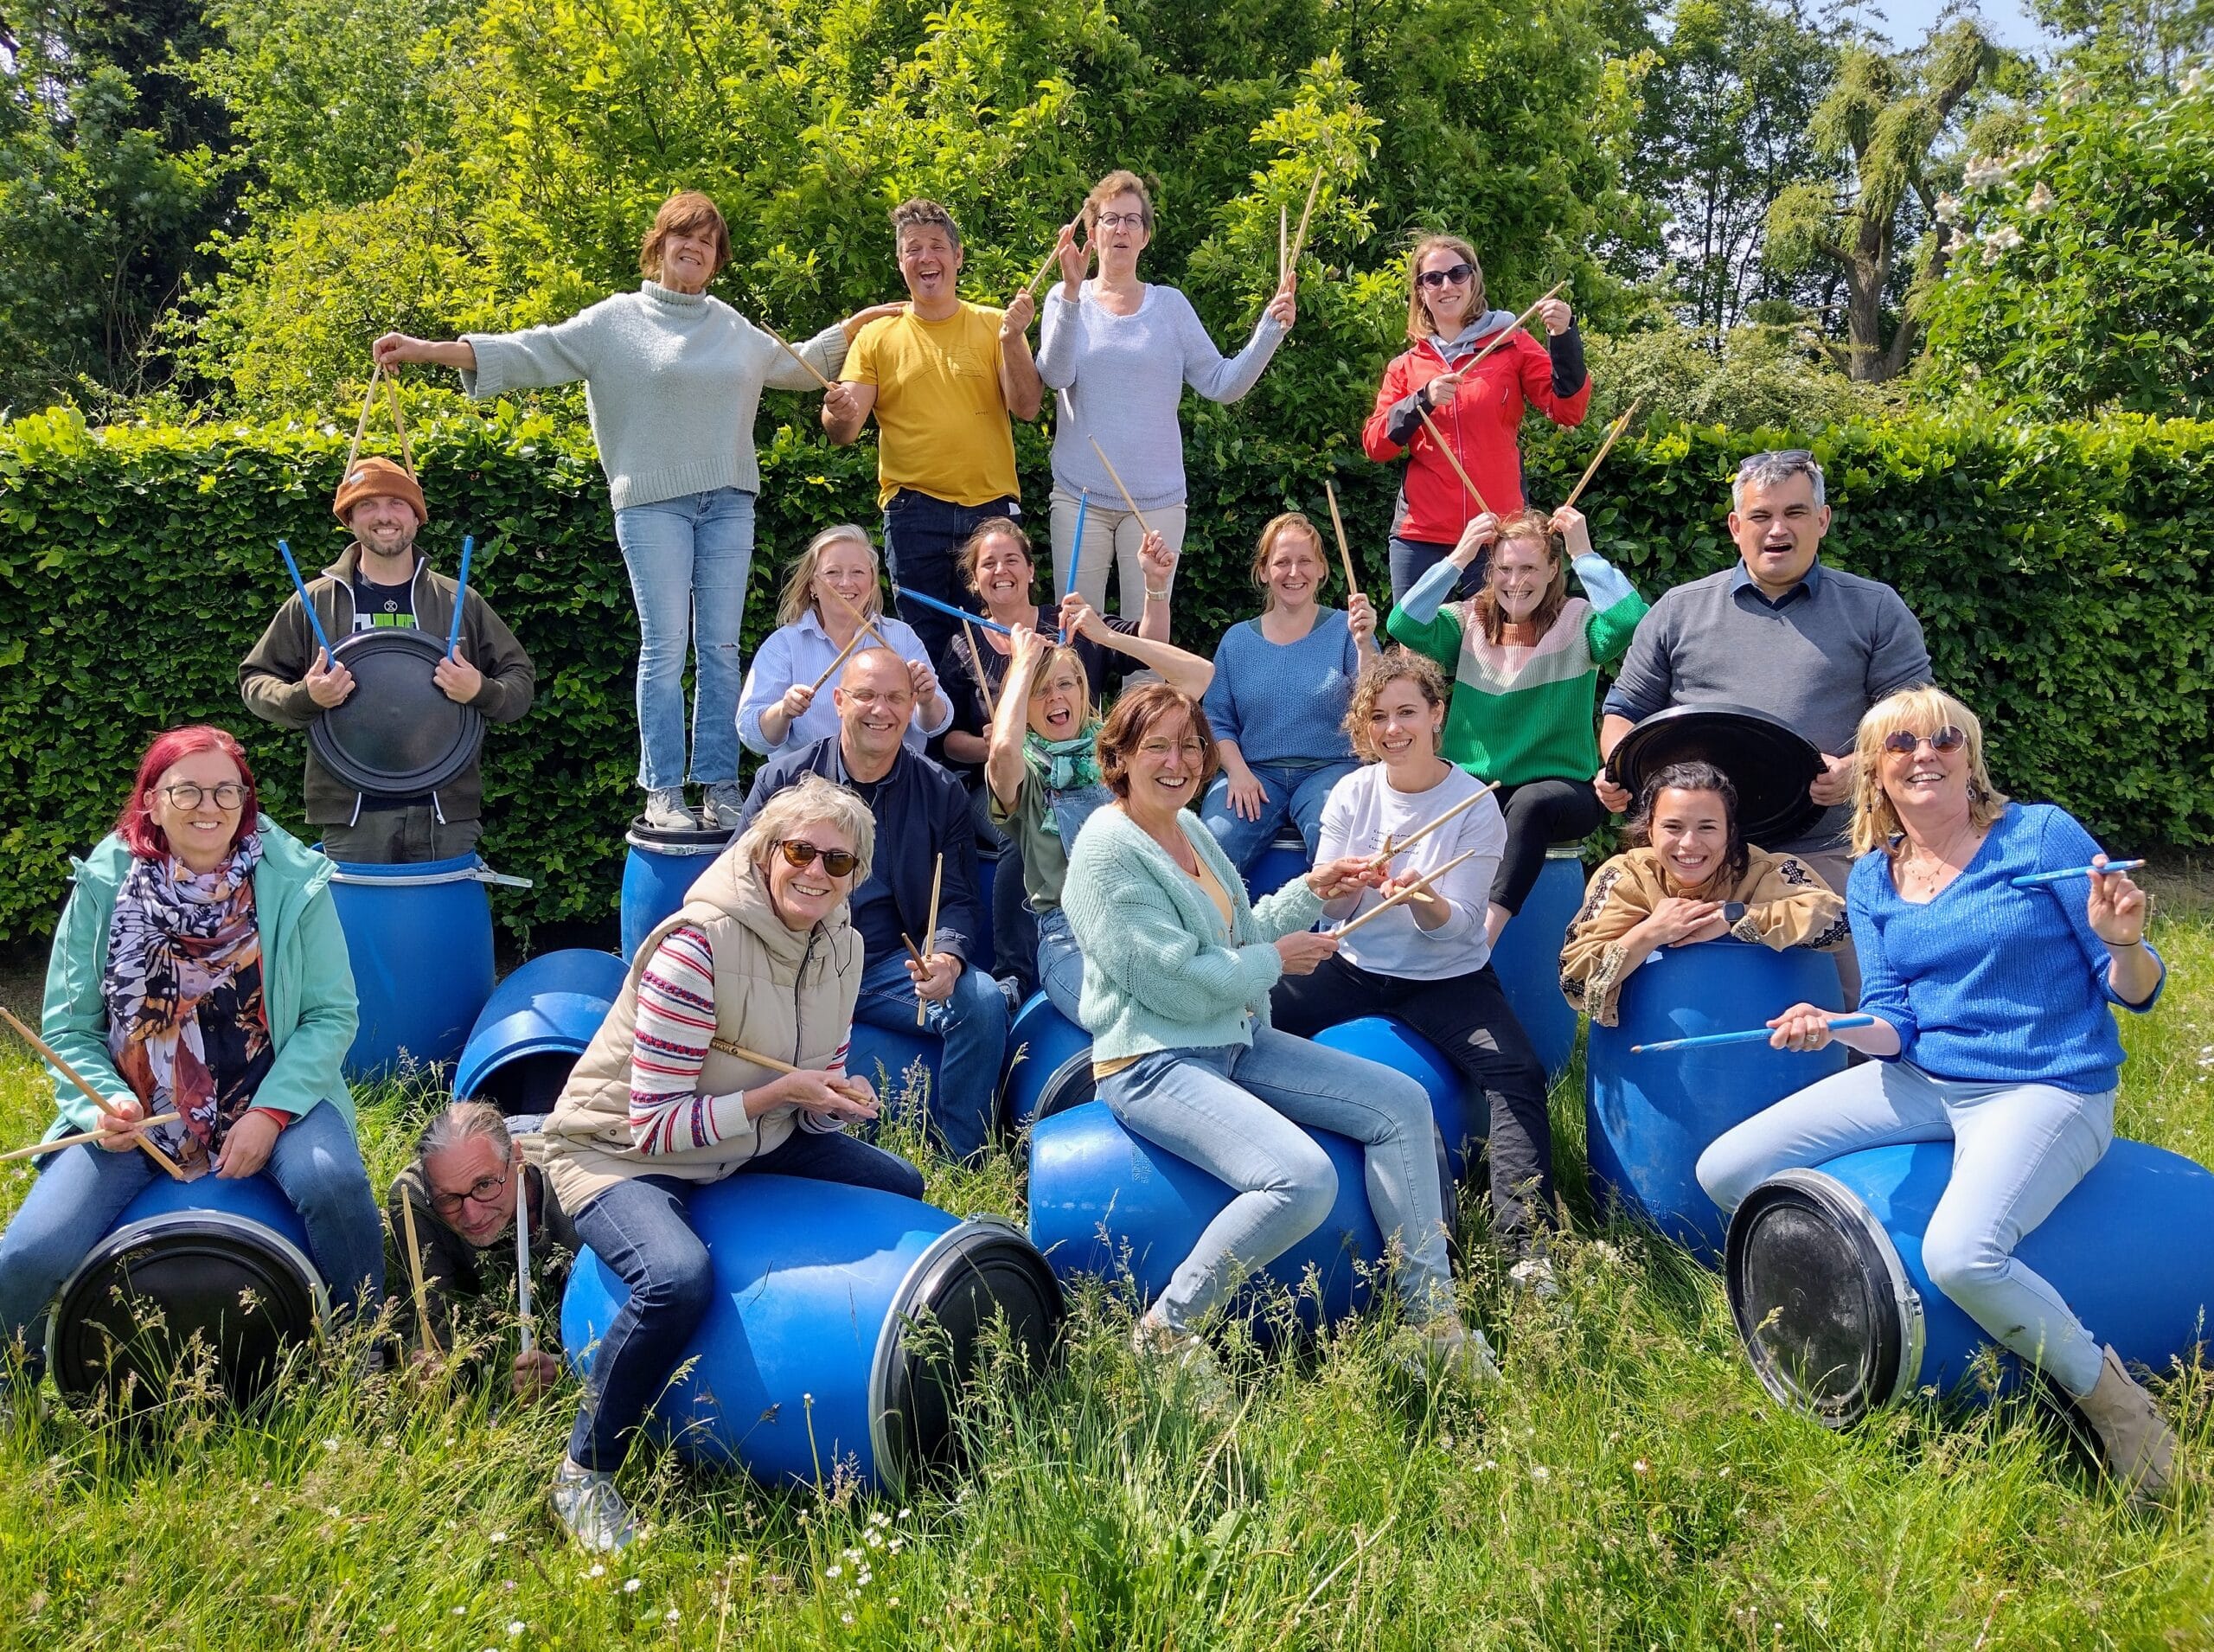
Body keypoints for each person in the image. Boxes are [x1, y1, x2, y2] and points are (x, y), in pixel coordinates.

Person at [1696, 687, 2177, 1499]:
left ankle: (2117, 1407)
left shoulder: (2040, 835)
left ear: (1970, 756)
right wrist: (1836, 1026)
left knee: (1961, 1256)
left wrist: (2125, 944)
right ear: (1875, 773)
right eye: (1902, 743)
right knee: (1725, 1168)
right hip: (1921, 1080)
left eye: (1945, 738)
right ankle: (1826, 1322)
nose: (1926, 753)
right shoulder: (1873, 879)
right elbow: (1893, 1021)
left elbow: (2133, 990)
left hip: (2045, 1084)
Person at [374, 191, 903, 830]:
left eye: (708, 242)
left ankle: (719, 785)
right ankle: (663, 792)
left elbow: (801, 364)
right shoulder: (615, 321)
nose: (695, 249)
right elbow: (528, 351)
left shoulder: (732, 325)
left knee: (720, 647)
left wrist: (861, 324)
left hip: (729, 502)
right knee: (665, 647)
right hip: (652, 504)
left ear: (717, 260)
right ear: (659, 245)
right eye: (684, 236)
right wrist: (426, 350)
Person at [1059, 684, 1499, 1384]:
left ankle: (1433, 1327)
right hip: (1151, 1060)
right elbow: (1167, 980)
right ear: (1118, 757)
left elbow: (1242, 932)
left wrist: (1315, 889)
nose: (1177, 762)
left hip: (1232, 1041)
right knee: (1300, 1179)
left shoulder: (1190, 828)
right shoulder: (1106, 850)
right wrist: (1274, 962)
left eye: (1190, 745)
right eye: (1156, 747)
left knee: (1402, 1103)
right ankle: (1166, 1332)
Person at [539, 773, 925, 1550]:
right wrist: (776, 1094)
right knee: (675, 1279)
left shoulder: (843, 947)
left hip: (747, 1141)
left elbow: (815, 1081)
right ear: (763, 851)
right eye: (800, 852)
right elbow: (653, 1125)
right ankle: (584, 1473)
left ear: (856, 874)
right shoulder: (695, 947)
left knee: (900, 1185)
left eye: (838, 861)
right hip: (619, 1152)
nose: (816, 872)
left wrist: (831, 1100)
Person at [0, 726, 384, 1384]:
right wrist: (102, 1105)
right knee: (30, 1253)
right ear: (152, 801)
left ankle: (364, 1348)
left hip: (272, 1089)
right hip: (137, 1110)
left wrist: (271, 1113)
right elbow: (68, 1029)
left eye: (226, 791)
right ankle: (13, 1383)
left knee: (334, 1184)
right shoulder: (104, 884)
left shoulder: (294, 882)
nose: (209, 807)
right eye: (187, 791)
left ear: (245, 801)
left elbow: (330, 1015)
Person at [1267, 653, 1559, 1287]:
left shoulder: (1475, 804)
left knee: (1517, 1073)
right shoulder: (1352, 792)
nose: (1392, 729)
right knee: (1251, 1013)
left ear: (1436, 715)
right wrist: (1344, 887)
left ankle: (1527, 1252)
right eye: (1378, 717)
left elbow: (1463, 927)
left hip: (1447, 977)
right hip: (1353, 965)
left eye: (1406, 713)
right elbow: (1331, 909)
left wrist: (1425, 900)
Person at [1600, 449, 1933, 999]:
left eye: (1795, 513)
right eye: (1761, 516)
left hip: (1825, 851)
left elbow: (1918, 724)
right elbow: (1625, 710)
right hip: (1690, 861)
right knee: (1674, 1008)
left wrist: (1858, 769)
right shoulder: (1679, 610)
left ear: (1822, 520)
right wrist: (1617, 770)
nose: (1777, 530)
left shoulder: (1874, 609)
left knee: (1862, 1006)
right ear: (1736, 527)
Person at [738, 650, 1003, 1160]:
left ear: (910, 709)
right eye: (865, 695)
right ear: (839, 701)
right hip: (791, 964)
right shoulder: (784, 781)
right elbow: (735, 878)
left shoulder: (940, 790)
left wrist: (947, 958)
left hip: (886, 966)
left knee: (982, 1001)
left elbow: (957, 897)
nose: (880, 710)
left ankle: (961, 1160)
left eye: (895, 698)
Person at [240, 456, 535, 863]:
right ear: (349, 519)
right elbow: (256, 678)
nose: (384, 516)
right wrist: (305, 697)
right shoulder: (315, 601)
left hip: (445, 812)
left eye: (398, 504)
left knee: (443, 907)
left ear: (417, 518)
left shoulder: (457, 600)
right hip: (352, 814)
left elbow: (519, 680)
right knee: (357, 909)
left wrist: (481, 690)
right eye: (367, 505)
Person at [1035, 170, 1296, 615]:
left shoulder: (1170, 306)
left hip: (1155, 507)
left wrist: (1271, 330)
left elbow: (1222, 384)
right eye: (1110, 219)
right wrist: (1074, 295)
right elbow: (1055, 375)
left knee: (1147, 638)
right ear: (1091, 233)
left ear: (1145, 237)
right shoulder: (1064, 297)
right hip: (1078, 499)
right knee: (1075, 635)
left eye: (1132, 220)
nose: (1121, 229)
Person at [1388, 503, 1647, 944]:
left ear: (1553, 570)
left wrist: (1584, 551)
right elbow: (1404, 622)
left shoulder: (1579, 622)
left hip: (1560, 790)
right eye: (1505, 569)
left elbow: (1630, 619)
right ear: (1491, 571)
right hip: (1477, 788)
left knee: (1529, 804)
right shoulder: (1468, 621)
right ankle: (1413, 936)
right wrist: (1459, 556)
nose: (1515, 581)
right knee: (1440, 806)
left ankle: (1481, 941)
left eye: (1529, 568)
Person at [939, 515, 1177, 989]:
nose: (1001, 570)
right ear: (975, 580)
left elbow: (1151, 649)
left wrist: (1155, 586)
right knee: (1022, 831)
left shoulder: (1070, 622)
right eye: (989, 563)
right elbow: (946, 740)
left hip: (1086, 772)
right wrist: (992, 746)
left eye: (1012, 559)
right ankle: (1014, 970)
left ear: (1031, 570)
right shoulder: (962, 643)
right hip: (1013, 781)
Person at [823, 198, 1044, 665]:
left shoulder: (996, 325)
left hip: (990, 514)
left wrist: (1012, 341)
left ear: (958, 256)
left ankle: (995, 719)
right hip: (914, 513)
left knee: (996, 646)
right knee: (919, 649)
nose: (926, 258)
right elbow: (844, 428)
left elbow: (1027, 407)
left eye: (937, 246)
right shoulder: (876, 335)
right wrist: (836, 410)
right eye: (914, 248)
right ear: (900, 261)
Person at [986, 618, 1215, 1024]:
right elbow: (1003, 748)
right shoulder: (1025, 772)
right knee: (1134, 1022)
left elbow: (1198, 675)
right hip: (1072, 936)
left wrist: (1107, 637)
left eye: (1065, 684)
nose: (1055, 697)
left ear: (1082, 688)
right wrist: (1022, 662)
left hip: (1151, 917)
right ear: (1024, 704)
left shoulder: (1117, 747)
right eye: (1040, 690)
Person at [1361, 235, 1591, 602]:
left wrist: (1564, 338)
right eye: (1433, 278)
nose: (1446, 286)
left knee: (1496, 637)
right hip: (1421, 536)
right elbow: (1376, 445)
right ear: (1420, 291)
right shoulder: (1405, 366)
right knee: (1413, 637)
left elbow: (1568, 410)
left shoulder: (1512, 343)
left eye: (1457, 273)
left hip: (1497, 532)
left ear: (1473, 279)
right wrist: (1422, 400)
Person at [1559, 760, 1848, 1027]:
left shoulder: (1765, 870)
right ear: (1650, 830)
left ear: (1730, 832)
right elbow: (1575, 981)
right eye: (1673, 827)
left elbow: (1838, 923)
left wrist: (1734, 917)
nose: (1689, 843)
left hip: (1769, 1044)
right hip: (1648, 1050)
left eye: (1707, 828)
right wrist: (1650, 933)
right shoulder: (1626, 877)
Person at [1199, 512, 1380, 874]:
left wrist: (1364, 646)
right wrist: (1237, 772)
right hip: (1254, 773)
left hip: (1332, 769)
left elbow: (1375, 704)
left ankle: (1335, 916)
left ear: (1322, 569)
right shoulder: (1237, 641)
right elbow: (1216, 720)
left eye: (1304, 561)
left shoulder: (1349, 632)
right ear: (1264, 571)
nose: (1293, 572)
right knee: (1212, 847)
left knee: (1339, 848)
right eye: (1282, 562)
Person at [385, 1101, 573, 1398]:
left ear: (517, 1158)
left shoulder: (573, 1191)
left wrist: (563, 1368)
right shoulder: (415, 1199)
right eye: (449, 1199)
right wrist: (429, 1366)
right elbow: (425, 1317)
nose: (472, 1216)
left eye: (484, 1185)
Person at [736, 523, 952, 759]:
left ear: (872, 582)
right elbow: (753, 735)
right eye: (833, 573)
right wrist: (784, 710)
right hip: (809, 779)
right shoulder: (784, 644)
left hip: (895, 778)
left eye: (858, 572)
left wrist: (927, 700)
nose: (846, 583)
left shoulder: (901, 636)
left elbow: (937, 725)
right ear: (812, 585)